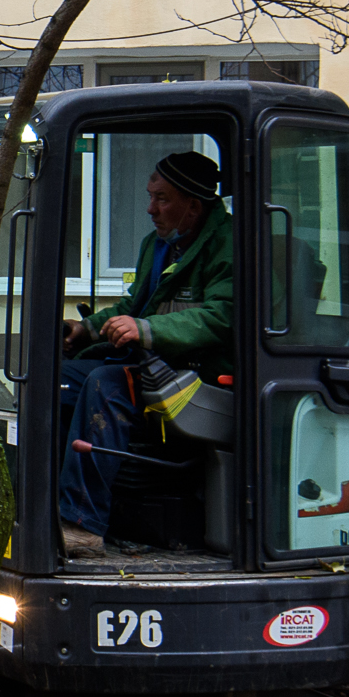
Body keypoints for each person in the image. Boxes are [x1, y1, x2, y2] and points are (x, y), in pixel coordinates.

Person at [56, 149, 234, 550]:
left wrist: (147, 329)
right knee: (59, 380)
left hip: (199, 376)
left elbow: (222, 317)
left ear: (194, 206)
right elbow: (135, 307)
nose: (150, 208)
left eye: (162, 199)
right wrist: (86, 330)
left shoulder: (230, 245)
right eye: (150, 195)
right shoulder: (159, 244)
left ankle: (82, 525)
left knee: (106, 384)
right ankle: (48, 503)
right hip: (154, 366)